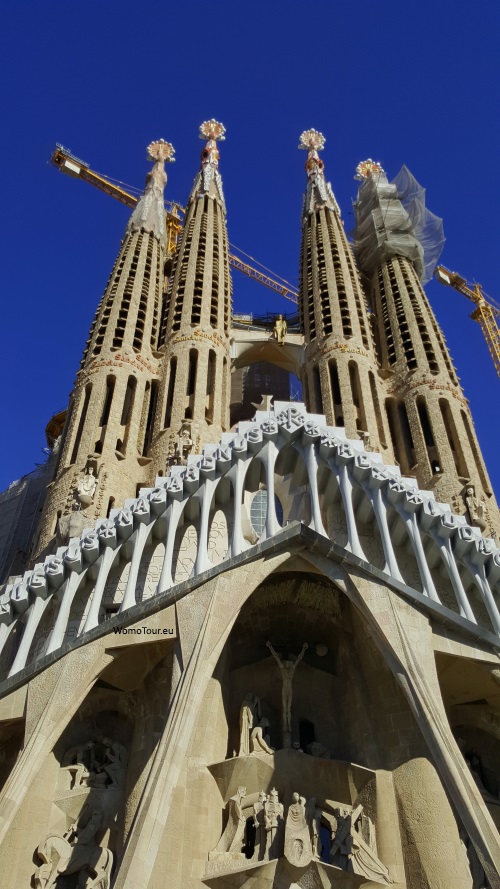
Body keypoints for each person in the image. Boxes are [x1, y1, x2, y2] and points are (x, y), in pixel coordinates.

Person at [266, 641, 308, 732]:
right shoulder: (283, 670)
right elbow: (276, 658)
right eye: (287, 663)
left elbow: (298, 659)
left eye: (289, 663)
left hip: (289, 690)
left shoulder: (292, 671)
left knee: (288, 709)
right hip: (284, 690)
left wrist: (303, 649)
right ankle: (285, 725)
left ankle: (289, 725)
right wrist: (270, 647)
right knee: (285, 708)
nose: (288, 664)